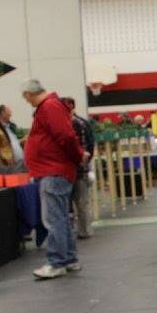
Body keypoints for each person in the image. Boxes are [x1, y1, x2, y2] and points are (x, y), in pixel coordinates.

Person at [21, 80, 85, 280]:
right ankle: (69, 258)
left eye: (25, 98)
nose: (27, 101)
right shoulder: (52, 105)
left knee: (54, 218)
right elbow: (65, 136)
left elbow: (66, 136)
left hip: (52, 170)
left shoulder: (49, 106)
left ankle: (56, 262)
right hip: (57, 169)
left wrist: (77, 156)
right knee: (61, 217)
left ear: (28, 94)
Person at [61, 97, 96, 239]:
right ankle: (85, 230)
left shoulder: (70, 124)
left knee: (70, 203)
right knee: (82, 202)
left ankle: (73, 232)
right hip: (81, 167)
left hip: (72, 169)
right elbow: (91, 144)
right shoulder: (83, 122)